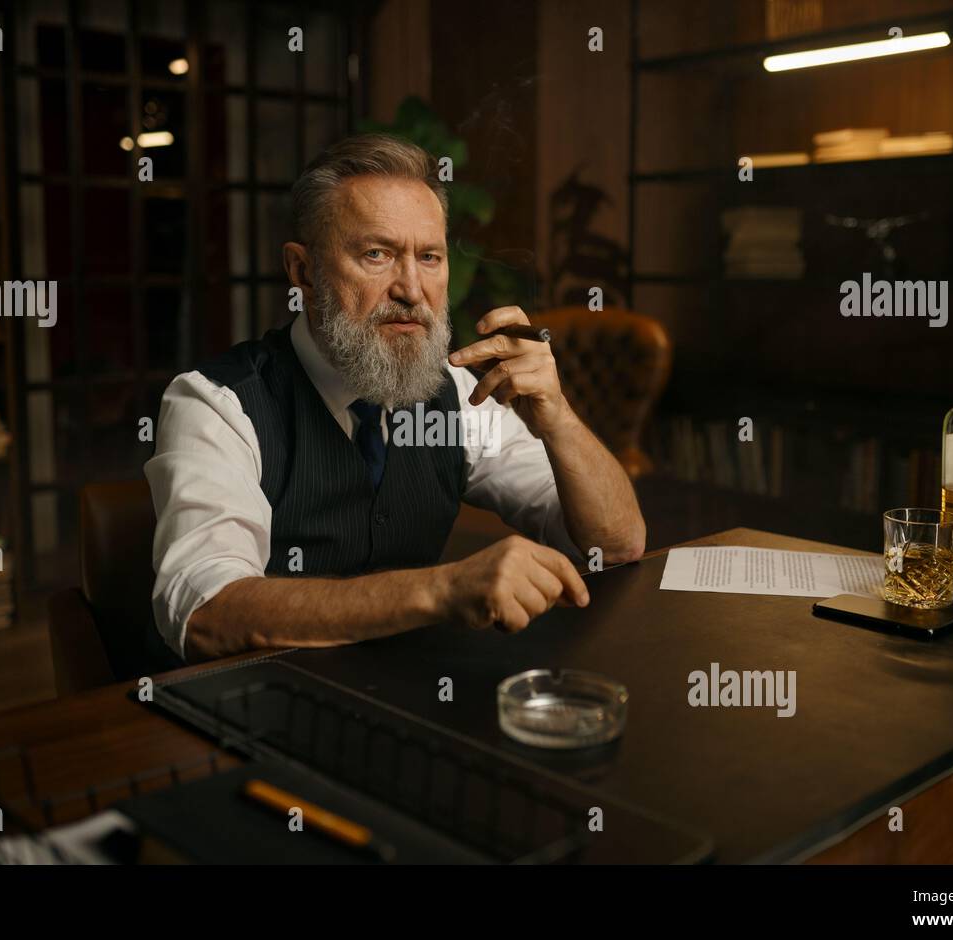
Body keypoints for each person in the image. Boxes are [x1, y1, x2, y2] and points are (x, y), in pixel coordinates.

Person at [145, 133, 644, 662]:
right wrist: (439, 590)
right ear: (302, 272)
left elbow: (615, 546)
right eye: (377, 254)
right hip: (259, 713)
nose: (410, 287)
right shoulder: (217, 403)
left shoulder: (454, 393)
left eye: (429, 257)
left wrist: (558, 417)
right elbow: (206, 613)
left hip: (411, 700)